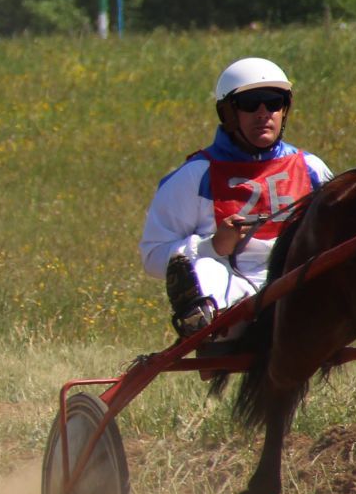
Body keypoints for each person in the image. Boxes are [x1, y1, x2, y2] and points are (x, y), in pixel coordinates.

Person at [140, 58, 333, 338]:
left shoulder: (312, 169)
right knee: (204, 268)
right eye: (251, 102)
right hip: (227, 291)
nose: (264, 113)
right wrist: (212, 246)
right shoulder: (194, 176)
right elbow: (152, 257)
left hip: (297, 287)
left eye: (274, 101)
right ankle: (205, 328)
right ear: (227, 113)